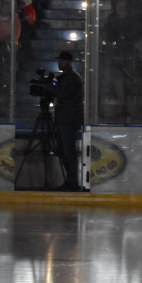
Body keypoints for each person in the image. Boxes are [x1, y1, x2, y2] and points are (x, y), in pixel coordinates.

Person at [54, 51, 84, 191]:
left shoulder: (72, 78)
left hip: (69, 119)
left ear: (68, 62)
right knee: (64, 151)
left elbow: (63, 94)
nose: (59, 63)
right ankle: (70, 180)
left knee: (69, 151)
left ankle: (72, 181)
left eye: (61, 61)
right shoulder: (65, 77)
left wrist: (51, 87)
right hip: (63, 118)